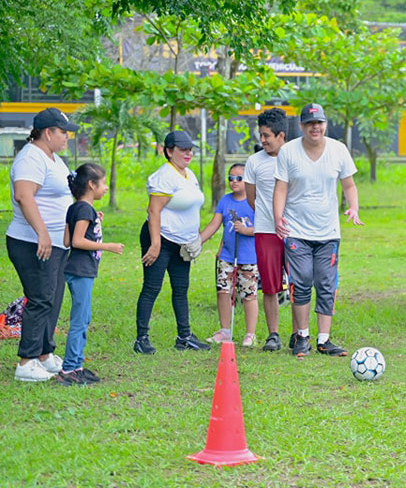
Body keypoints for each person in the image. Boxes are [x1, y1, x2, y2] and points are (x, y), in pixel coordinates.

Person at [273, 103, 362, 357]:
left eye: (319, 123)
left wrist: (353, 207)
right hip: (296, 230)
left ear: (325, 124)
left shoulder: (338, 150)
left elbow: (349, 185)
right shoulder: (288, 151)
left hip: (328, 232)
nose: (315, 127)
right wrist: (278, 217)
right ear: (301, 126)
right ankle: (302, 336)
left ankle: (324, 339)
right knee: (301, 281)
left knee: (326, 283)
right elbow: (281, 188)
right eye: (310, 123)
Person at [8, 108, 77, 382]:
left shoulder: (53, 159)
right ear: (48, 132)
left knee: (53, 297)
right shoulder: (30, 158)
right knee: (40, 299)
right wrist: (43, 233)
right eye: (63, 132)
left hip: (57, 243)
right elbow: (24, 196)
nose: (67, 137)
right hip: (32, 242)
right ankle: (26, 363)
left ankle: (44, 354)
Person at [134, 130, 210, 354]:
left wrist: (195, 234)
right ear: (169, 151)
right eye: (183, 149)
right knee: (152, 287)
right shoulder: (164, 176)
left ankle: (184, 337)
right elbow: (153, 211)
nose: (188, 153)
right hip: (162, 239)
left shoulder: (189, 174)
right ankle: (141, 339)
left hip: (182, 243)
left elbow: (192, 206)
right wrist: (155, 244)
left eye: (190, 149)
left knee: (181, 288)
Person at [58, 163, 124, 385]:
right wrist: (107, 246)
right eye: (103, 183)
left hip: (78, 270)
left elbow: (66, 240)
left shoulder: (76, 208)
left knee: (83, 318)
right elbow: (76, 242)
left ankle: (77, 366)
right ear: (91, 185)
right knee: (80, 321)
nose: (105, 187)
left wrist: (94, 223)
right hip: (81, 271)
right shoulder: (85, 210)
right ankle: (69, 369)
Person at [245, 108, 295, 352]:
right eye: (261, 135)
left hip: (296, 231)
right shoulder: (254, 162)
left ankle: (299, 333)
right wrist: (268, 217)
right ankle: (273, 335)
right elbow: (251, 198)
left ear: (281, 135)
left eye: (267, 135)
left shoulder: (296, 157)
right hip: (265, 231)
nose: (262, 140)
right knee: (270, 285)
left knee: (298, 284)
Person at [200, 163, 259, 347]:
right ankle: (225, 330)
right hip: (227, 255)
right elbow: (214, 224)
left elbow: (263, 227)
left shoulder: (254, 201)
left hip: (248, 257)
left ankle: (250, 334)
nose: (234, 182)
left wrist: (247, 230)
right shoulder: (225, 201)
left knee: (248, 294)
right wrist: (198, 241)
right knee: (223, 291)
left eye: (239, 178)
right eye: (231, 178)